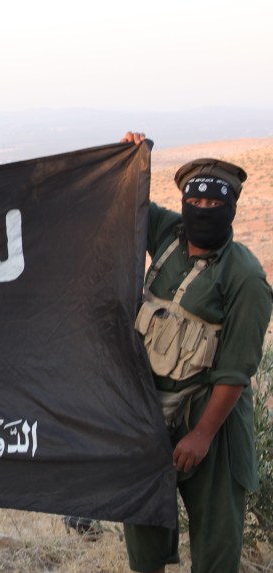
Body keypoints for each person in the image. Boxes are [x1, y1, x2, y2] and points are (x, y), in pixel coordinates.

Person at [121, 131, 272, 572]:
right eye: (196, 203)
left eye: (215, 205)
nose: (203, 212)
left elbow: (236, 371)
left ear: (232, 209)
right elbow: (126, 206)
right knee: (144, 537)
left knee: (216, 549)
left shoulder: (244, 276)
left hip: (214, 425)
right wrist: (130, 159)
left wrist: (202, 435)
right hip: (151, 416)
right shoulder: (169, 236)